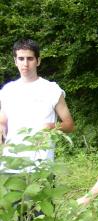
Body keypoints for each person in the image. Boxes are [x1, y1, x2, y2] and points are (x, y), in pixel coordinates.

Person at [0, 38, 74, 171]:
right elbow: (3, 121)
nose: (25, 64)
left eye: (30, 59)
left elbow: (69, 125)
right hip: (11, 164)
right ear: (15, 61)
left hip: (40, 165)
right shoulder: (7, 90)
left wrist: (50, 126)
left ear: (38, 61)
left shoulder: (52, 90)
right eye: (21, 59)